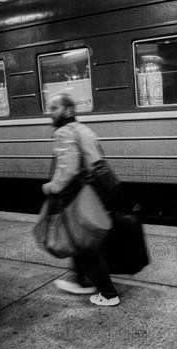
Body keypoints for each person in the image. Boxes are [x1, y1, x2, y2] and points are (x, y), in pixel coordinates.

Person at [42, 93, 120, 306]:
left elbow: (67, 169)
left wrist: (51, 187)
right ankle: (80, 281)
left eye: (54, 108)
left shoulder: (64, 132)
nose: (50, 112)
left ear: (67, 110)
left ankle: (108, 294)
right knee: (81, 240)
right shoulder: (82, 128)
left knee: (86, 245)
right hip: (96, 190)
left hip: (78, 194)